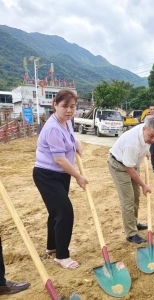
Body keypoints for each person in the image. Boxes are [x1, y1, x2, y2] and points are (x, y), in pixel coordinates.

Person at [33, 89, 88, 269]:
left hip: (60, 175)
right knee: (65, 212)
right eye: (64, 106)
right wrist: (78, 176)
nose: (69, 110)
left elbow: (70, 138)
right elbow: (59, 159)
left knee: (55, 212)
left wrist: (76, 143)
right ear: (54, 105)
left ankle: (53, 247)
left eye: (72, 106)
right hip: (47, 175)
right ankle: (62, 256)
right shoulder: (52, 128)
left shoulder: (66, 122)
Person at [108, 118, 154, 244]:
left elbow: (144, 144)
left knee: (136, 197)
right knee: (128, 199)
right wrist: (144, 185)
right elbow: (128, 168)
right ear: (144, 129)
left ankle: (133, 223)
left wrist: (146, 152)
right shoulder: (131, 143)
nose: (153, 140)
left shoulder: (147, 131)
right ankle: (131, 234)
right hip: (119, 166)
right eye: (151, 136)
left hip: (131, 164)